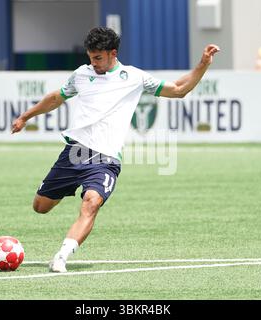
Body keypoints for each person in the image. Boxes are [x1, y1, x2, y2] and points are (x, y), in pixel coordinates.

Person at [11, 27, 220, 273]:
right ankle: (61, 193)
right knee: (40, 207)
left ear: (113, 53)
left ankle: (62, 256)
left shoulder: (133, 77)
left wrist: (202, 65)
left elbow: (179, 89)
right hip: (74, 153)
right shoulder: (81, 74)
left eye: (98, 58)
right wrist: (25, 117)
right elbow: (57, 97)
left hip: (106, 159)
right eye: (90, 57)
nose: (93, 63)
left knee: (91, 203)